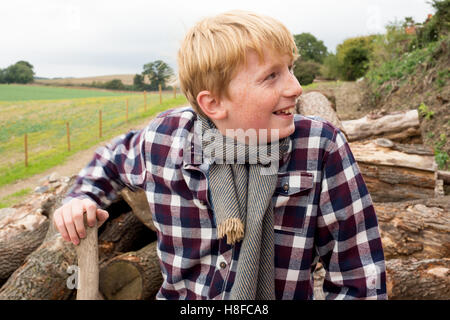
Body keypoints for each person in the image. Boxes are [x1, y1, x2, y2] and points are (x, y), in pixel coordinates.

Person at [54, 10, 387, 300]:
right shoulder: (165, 139)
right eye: (272, 76)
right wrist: (82, 196)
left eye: (290, 68)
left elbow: (359, 278)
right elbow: (111, 159)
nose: (295, 87)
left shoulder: (319, 147)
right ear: (212, 103)